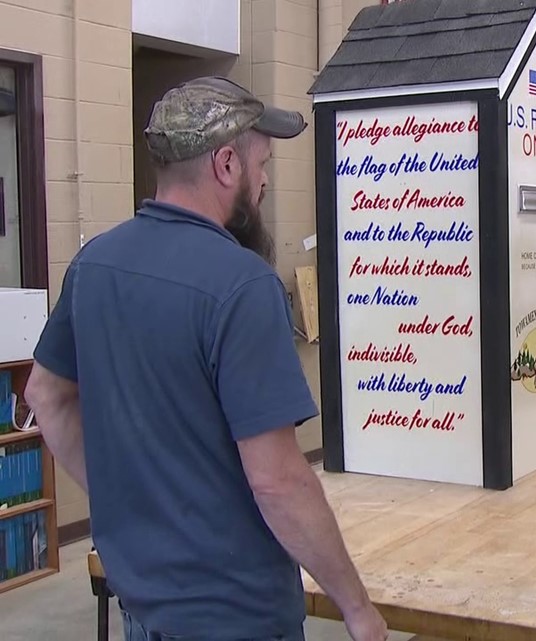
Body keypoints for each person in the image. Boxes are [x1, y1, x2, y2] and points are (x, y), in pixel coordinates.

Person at [24, 77, 388, 641]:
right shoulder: (242, 285)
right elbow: (278, 482)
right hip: (235, 612)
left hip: (141, 605)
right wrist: (357, 608)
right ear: (225, 165)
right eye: (262, 163)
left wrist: (127, 502)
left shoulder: (94, 265)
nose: (265, 180)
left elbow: (44, 395)